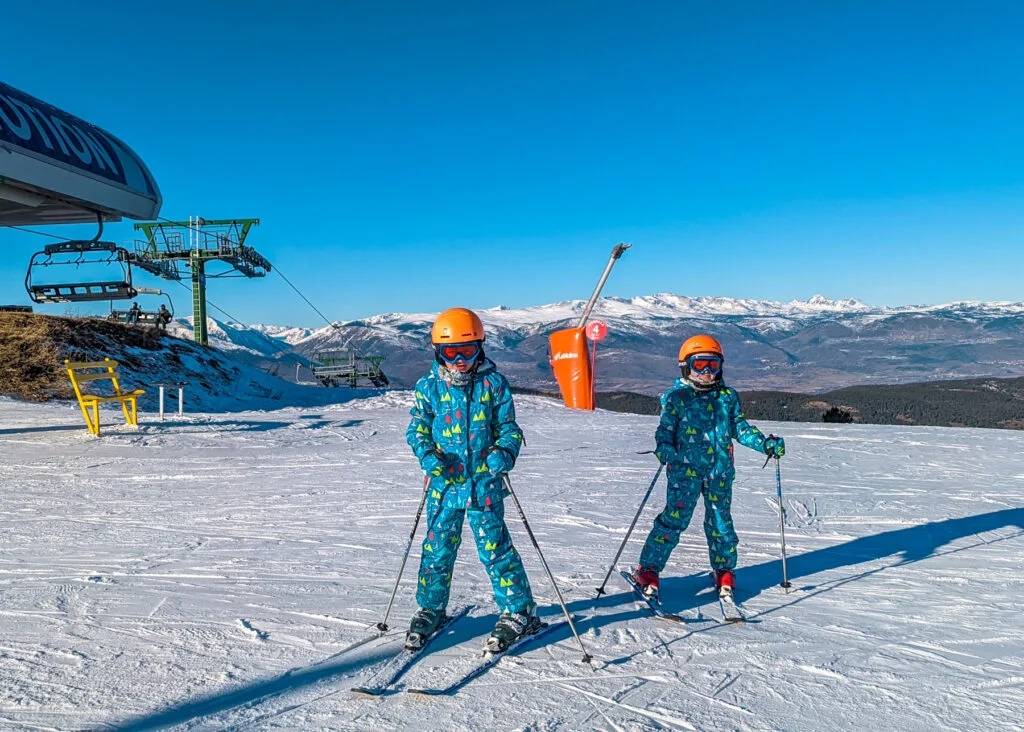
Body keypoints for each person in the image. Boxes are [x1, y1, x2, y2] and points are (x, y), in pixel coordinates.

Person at [405, 307, 538, 652]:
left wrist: (504, 452)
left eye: (468, 351)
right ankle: (430, 607)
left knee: (495, 549)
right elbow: (417, 428)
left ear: (481, 347)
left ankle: (517, 610)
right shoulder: (428, 387)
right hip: (444, 485)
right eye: (451, 353)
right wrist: (427, 455)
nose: (460, 360)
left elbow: (509, 428)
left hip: (484, 485)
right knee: (437, 549)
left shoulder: (493, 384)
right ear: (438, 352)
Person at [631, 335, 785, 601]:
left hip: (719, 472)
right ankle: (649, 569)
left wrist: (764, 444)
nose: (706, 372)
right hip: (684, 472)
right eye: (699, 364)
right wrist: (664, 447)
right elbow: (665, 429)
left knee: (720, 522)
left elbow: (740, 428)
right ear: (685, 366)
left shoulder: (727, 397)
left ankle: (724, 569)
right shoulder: (677, 397)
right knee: (674, 520)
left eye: (712, 365)